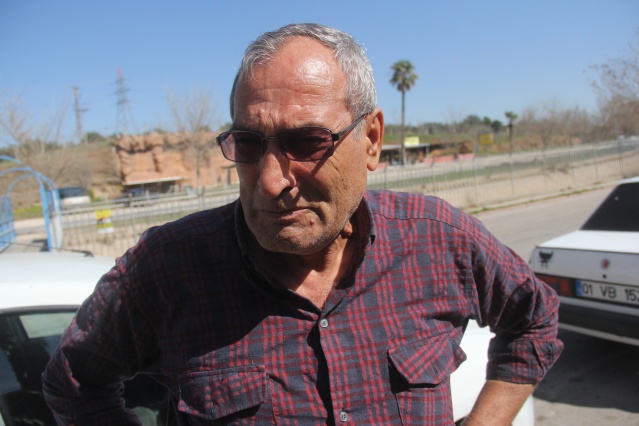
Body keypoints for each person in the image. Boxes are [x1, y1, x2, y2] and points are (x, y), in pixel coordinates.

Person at [43, 23, 562, 425]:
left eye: (308, 142)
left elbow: (535, 320)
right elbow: (74, 384)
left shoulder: (438, 238)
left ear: (371, 140)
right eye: (248, 144)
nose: (272, 181)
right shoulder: (167, 269)